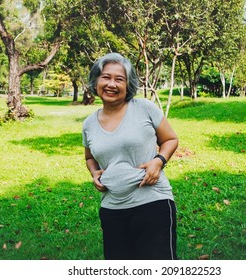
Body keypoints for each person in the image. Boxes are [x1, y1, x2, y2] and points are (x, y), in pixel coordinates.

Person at [82, 53, 179, 260]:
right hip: (112, 209)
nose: (111, 84)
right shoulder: (89, 124)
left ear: (128, 85)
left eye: (119, 79)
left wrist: (158, 161)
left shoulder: (144, 108)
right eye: (106, 77)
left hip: (153, 203)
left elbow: (170, 139)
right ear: (96, 81)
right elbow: (89, 157)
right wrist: (94, 172)